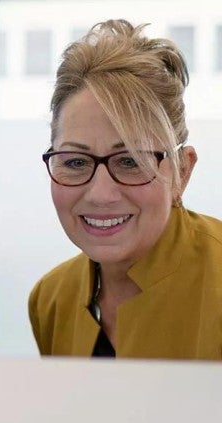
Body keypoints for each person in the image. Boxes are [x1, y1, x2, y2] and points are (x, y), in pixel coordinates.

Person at [29, 19, 222, 359]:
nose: (101, 194)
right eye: (75, 162)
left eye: (131, 161)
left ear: (182, 171)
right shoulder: (51, 300)